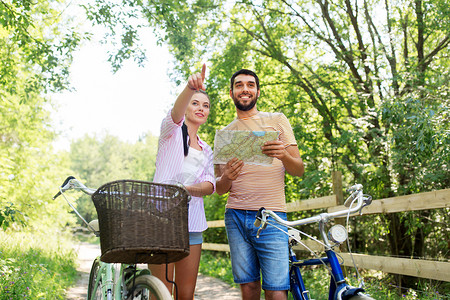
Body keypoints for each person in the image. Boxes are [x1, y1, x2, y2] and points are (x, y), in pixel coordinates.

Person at [215, 69, 304, 300]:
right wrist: (227, 177)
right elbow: (220, 188)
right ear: (232, 92)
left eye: (250, 85)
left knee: (276, 290)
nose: (245, 89)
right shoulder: (224, 135)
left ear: (257, 91)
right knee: (249, 288)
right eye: (239, 85)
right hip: (235, 216)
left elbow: (299, 170)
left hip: (272, 216)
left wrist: (283, 155)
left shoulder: (277, 121)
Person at [149, 64, 215, 300]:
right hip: (162, 220)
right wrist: (190, 87)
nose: (201, 108)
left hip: (193, 224)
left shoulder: (208, 150)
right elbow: (175, 114)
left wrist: (185, 190)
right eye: (195, 102)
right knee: (161, 292)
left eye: (205, 106)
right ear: (186, 105)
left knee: (185, 294)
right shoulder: (171, 133)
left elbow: (209, 186)